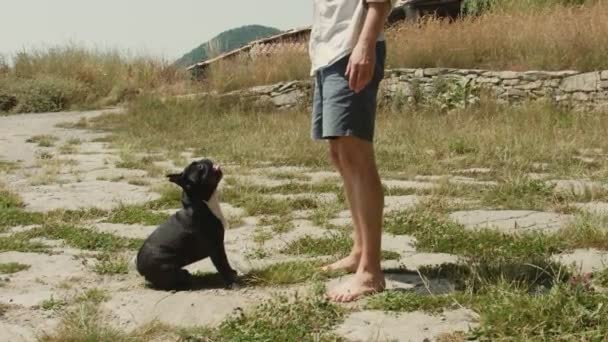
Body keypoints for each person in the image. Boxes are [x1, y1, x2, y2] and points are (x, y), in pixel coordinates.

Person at [309, 0, 394, 302]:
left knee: (356, 154)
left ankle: (371, 272)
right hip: (328, 54)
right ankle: (359, 250)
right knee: (340, 153)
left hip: (351, 50)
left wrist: (365, 44)